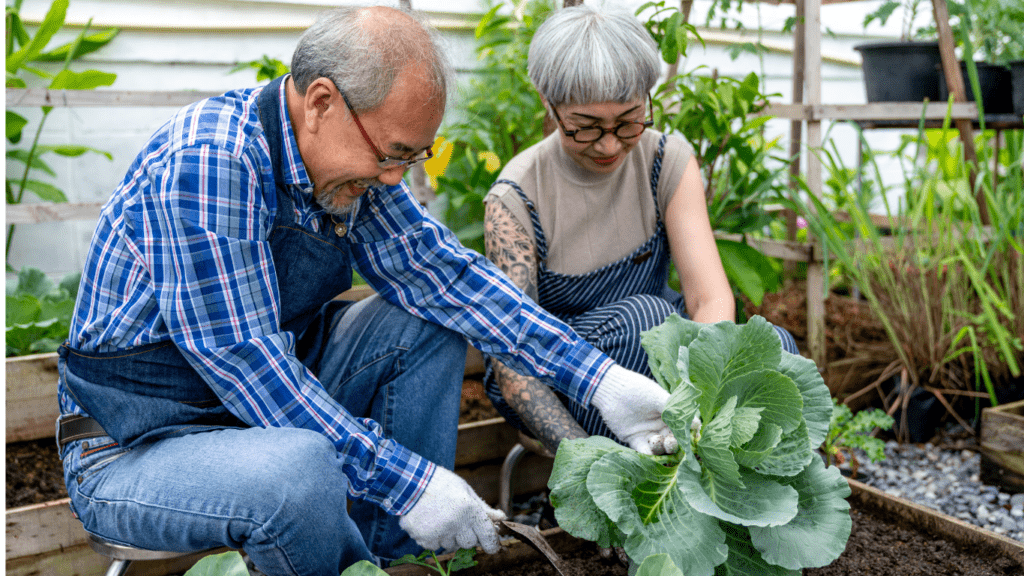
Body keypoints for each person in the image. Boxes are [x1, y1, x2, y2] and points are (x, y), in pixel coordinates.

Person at [55, 5, 680, 575]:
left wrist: (596, 378)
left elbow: (444, 276)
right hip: (139, 445)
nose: (393, 177)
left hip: (260, 418)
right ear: (322, 101)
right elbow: (248, 365)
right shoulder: (210, 164)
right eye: (391, 155)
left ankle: (394, 563)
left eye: (411, 158)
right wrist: (408, 483)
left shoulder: (356, 162)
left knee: (430, 318)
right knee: (297, 474)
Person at [482, 5, 801, 453]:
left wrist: (701, 397)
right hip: (566, 381)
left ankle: (734, 504)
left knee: (775, 348)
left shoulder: (664, 161)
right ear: (547, 104)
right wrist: (581, 456)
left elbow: (708, 298)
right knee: (643, 320)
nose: (610, 144)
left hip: (660, 358)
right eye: (586, 127)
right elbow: (514, 361)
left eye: (629, 120)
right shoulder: (516, 198)